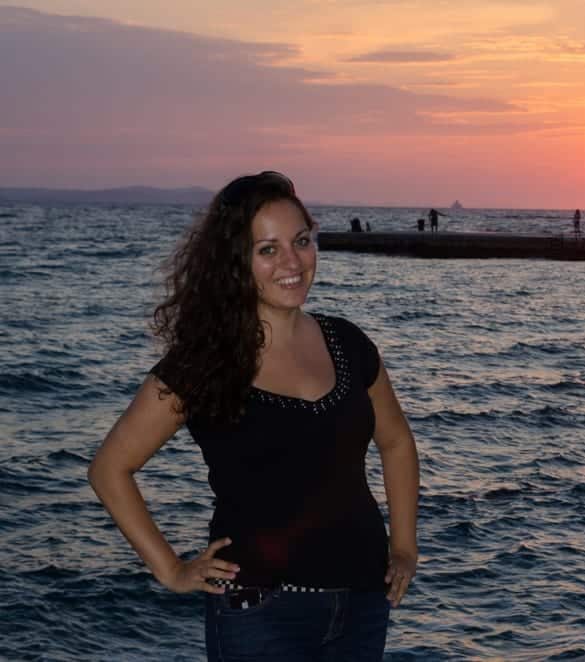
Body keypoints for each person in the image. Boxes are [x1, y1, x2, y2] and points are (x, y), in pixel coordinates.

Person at [88, 171, 420, 661]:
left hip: (363, 606)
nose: (292, 262)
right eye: (268, 249)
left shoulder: (350, 344)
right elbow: (109, 469)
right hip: (258, 616)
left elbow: (396, 443)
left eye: (302, 241)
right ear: (235, 262)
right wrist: (170, 569)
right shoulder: (205, 364)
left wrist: (405, 546)